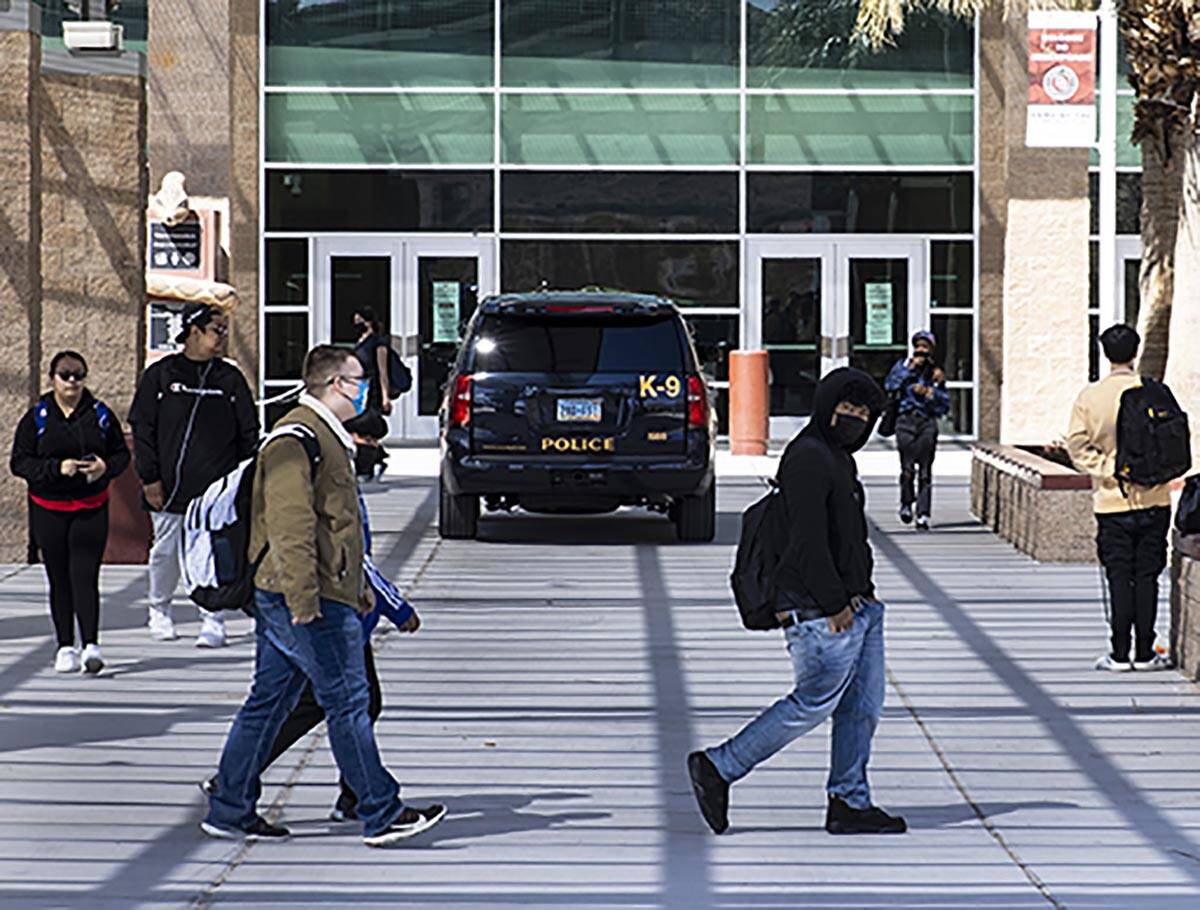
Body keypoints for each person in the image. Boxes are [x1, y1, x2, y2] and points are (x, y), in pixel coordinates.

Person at [202, 345, 444, 845]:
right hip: (300, 596)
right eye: (359, 380)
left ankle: (229, 806)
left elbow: (338, 528)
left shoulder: (325, 438)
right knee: (348, 700)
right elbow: (291, 528)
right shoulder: (296, 440)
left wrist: (355, 587)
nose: (366, 389)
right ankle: (380, 811)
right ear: (336, 384)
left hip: (312, 592)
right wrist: (305, 601)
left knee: (269, 701)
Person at [688, 368, 906, 837]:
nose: (854, 418)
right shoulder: (809, 457)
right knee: (812, 702)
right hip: (822, 612)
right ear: (827, 406)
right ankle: (719, 766)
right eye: (847, 408)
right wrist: (833, 604)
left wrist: (860, 596)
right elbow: (806, 543)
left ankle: (849, 800)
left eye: (864, 413)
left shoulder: (838, 458)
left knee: (861, 708)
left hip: (858, 606)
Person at [202, 452, 421, 822]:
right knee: (347, 703)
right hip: (321, 609)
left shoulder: (323, 455)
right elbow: (317, 542)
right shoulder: (311, 451)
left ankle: (232, 793)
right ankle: (373, 805)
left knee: (283, 701)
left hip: (327, 604)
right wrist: (393, 606)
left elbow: (352, 552)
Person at [128, 303, 260, 646]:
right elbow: (142, 428)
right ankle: (159, 610)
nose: (222, 337)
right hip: (170, 486)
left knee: (211, 552)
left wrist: (244, 481)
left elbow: (249, 432)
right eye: (216, 329)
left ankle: (212, 617)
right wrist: (150, 478)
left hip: (216, 490)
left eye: (225, 330)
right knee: (166, 551)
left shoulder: (229, 378)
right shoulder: (161, 375)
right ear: (194, 330)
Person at [9, 351, 130, 675]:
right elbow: (19, 462)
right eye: (66, 375)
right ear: (52, 378)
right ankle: (65, 645)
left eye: (79, 374)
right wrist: (55, 468)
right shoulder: (38, 416)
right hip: (49, 508)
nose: (73, 381)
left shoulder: (100, 414)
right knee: (59, 577)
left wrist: (104, 467)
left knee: (85, 575)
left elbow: (121, 455)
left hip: (90, 506)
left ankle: (91, 644)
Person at [1066, 325, 1174, 673]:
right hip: (1155, 499)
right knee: (1147, 576)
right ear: (1135, 351)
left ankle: (1118, 653)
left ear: (1105, 353)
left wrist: (1110, 467)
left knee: (1118, 575)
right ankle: (1145, 652)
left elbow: (1077, 445)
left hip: (1112, 502)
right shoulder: (1157, 392)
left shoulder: (1090, 397)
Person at [884, 330, 950, 531]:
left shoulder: (935, 373)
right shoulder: (903, 366)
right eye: (918, 346)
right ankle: (906, 502)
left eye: (926, 347)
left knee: (925, 471)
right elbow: (889, 385)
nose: (921, 351)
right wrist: (909, 370)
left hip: (926, 423)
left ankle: (923, 514)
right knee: (907, 468)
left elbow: (945, 405)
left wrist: (931, 392)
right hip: (905, 421)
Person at [350, 307, 393, 480]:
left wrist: (385, 396)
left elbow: (383, 372)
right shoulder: (360, 341)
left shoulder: (378, 343)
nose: (355, 323)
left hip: (372, 392)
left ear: (366, 321)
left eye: (358, 319)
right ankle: (375, 459)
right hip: (359, 391)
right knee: (359, 429)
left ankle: (367, 465)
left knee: (366, 429)